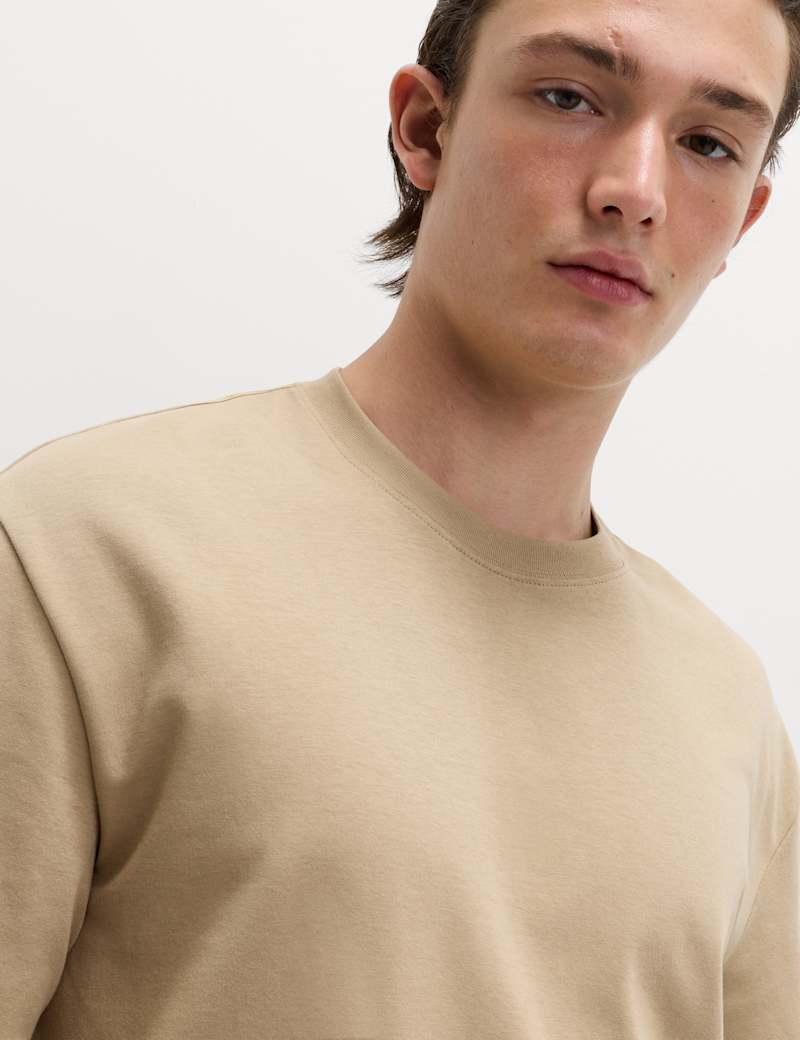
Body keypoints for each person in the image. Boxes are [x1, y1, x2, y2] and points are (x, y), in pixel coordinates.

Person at [2, 0, 798, 1036]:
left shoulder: (728, 712)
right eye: (568, 97)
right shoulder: (82, 550)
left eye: (707, 143)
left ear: (743, 218)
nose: (633, 191)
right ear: (425, 129)